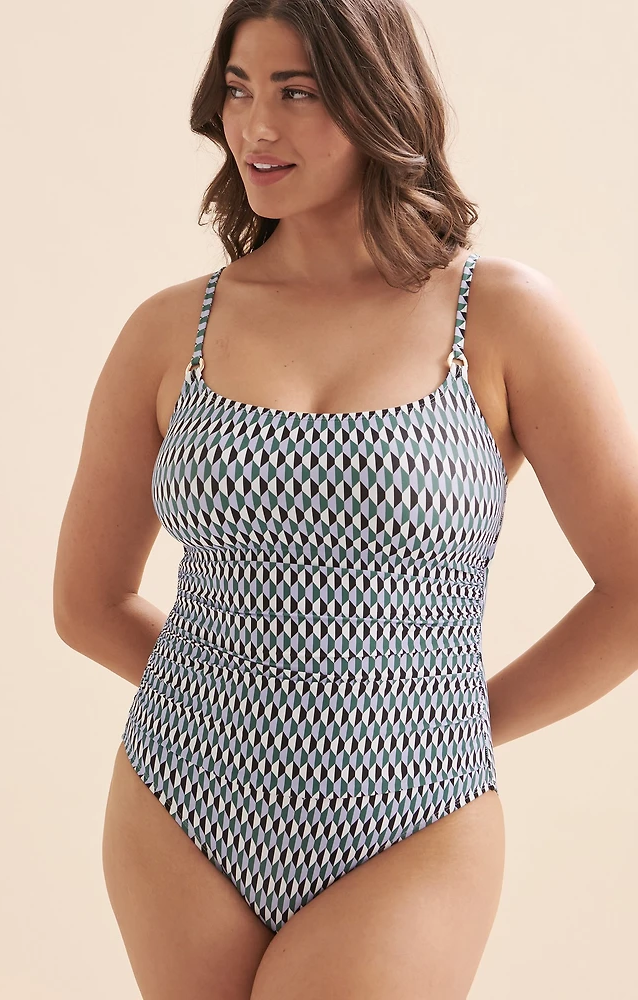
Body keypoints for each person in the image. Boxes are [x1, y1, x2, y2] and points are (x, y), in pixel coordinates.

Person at [54, 3, 638, 998]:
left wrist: (455, 722)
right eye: (238, 90)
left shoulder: (498, 316)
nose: (256, 126)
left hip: (411, 813)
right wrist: (241, 705)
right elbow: (86, 603)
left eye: (297, 92)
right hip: (180, 796)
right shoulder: (167, 331)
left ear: (377, 99)